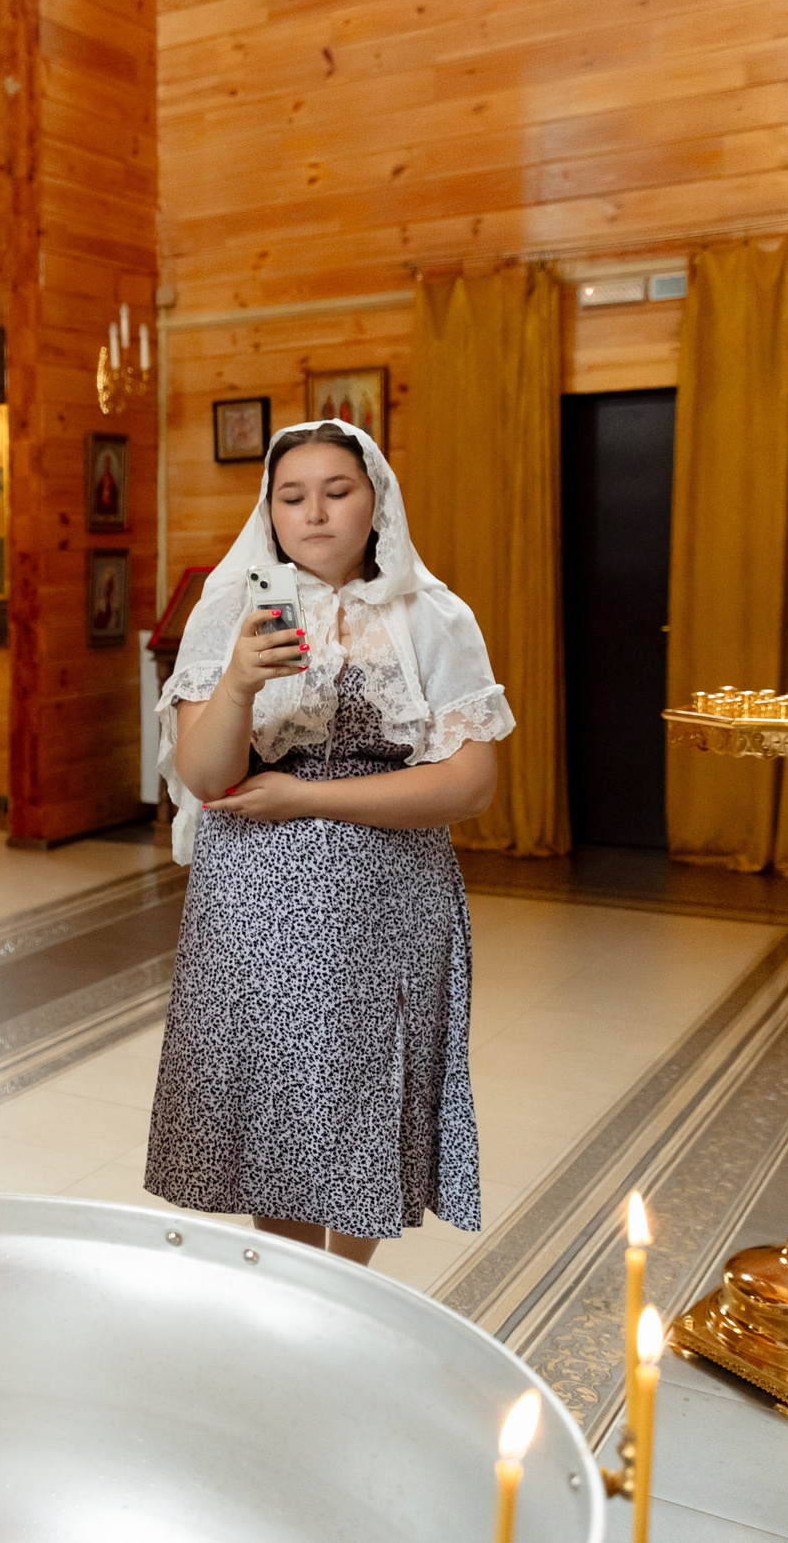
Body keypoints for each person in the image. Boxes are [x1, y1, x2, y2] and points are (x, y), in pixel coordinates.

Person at [148, 420, 507, 1264]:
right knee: (278, 1103)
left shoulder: (433, 615)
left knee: (366, 1095)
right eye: (292, 496)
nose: (314, 513)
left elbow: (469, 783)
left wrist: (308, 796)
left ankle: (349, 1289)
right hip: (257, 902)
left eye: (337, 492)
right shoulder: (231, 610)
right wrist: (238, 679)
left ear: (374, 497)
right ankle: (298, 1289)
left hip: (387, 898)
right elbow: (206, 776)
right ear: (268, 511)